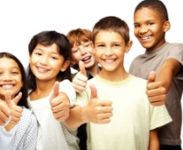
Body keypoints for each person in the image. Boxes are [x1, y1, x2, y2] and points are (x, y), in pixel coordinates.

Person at [65, 16, 172, 150]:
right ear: (93, 47)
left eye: (115, 45)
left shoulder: (146, 88)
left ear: (128, 46)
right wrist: (85, 113)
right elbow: (69, 120)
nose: (108, 53)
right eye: (101, 45)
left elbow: (153, 137)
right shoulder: (87, 88)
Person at [0, 31, 79, 150]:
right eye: (39, 54)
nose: (43, 62)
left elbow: (65, 95)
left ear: (64, 65)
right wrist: (1, 106)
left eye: (53, 57)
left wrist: (63, 101)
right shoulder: (24, 95)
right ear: (30, 57)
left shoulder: (64, 87)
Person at [129, 0, 183, 149]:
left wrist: (159, 87)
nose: (142, 30)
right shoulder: (135, 63)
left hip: (168, 142)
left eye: (150, 23)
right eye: (137, 25)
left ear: (165, 26)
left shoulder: (176, 49)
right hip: (140, 140)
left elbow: (169, 67)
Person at [67, 28, 100, 150]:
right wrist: (72, 88)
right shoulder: (72, 81)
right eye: (75, 50)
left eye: (87, 45)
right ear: (70, 60)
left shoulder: (110, 73)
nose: (83, 52)